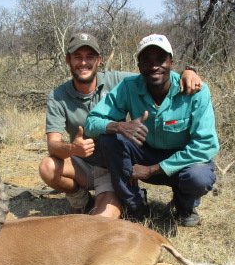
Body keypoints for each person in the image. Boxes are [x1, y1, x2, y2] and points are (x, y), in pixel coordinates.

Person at [38, 32, 202, 218]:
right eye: (78, 57)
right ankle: (81, 199)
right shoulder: (58, 96)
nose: (83, 63)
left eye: (90, 57)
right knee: (47, 167)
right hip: (81, 164)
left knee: (102, 220)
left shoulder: (119, 81)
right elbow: (53, 146)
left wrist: (188, 72)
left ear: (99, 60)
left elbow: (155, 72)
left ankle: (121, 198)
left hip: (111, 169)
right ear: (68, 60)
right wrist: (73, 148)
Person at [85, 34, 219, 227]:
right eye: (146, 60)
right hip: (145, 152)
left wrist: (151, 170)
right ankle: (135, 205)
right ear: (139, 66)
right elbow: (91, 122)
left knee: (199, 176)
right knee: (110, 140)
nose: (154, 66)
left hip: (181, 161)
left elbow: (205, 145)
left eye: (161, 59)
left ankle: (184, 206)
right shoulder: (129, 86)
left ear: (171, 62)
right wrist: (119, 125)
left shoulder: (196, 91)